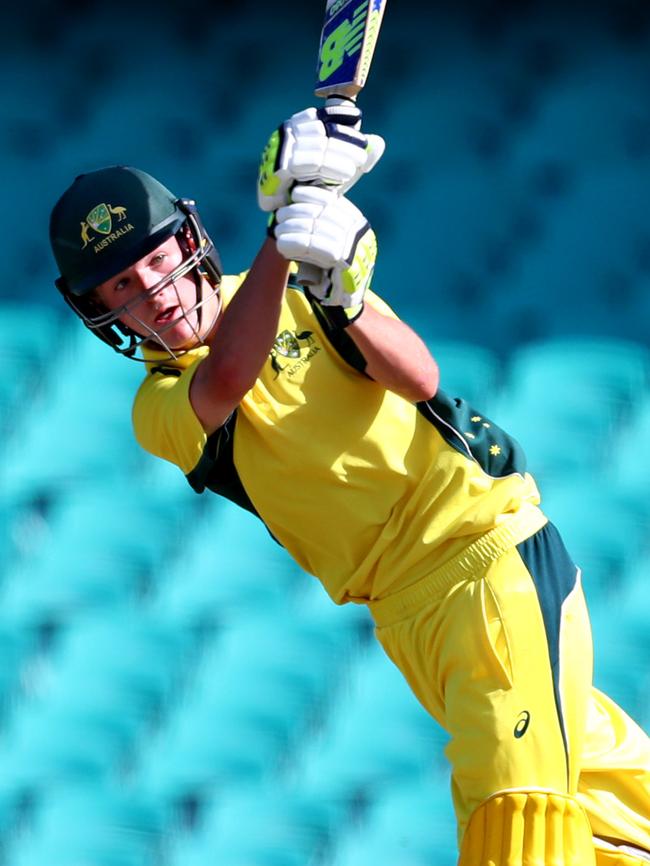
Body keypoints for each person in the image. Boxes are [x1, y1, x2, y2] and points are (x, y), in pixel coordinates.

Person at [49, 103, 650, 866]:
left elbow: (421, 377)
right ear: (103, 316)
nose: (155, 294)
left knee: (517, 820)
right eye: (124, 289)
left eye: (158, 262)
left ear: (191, 242)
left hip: (485, 560)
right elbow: (229, 373)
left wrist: (347, 300)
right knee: (602, 820)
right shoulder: (159, 405)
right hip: (408, 618)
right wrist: (283, 237)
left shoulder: (302, 289)